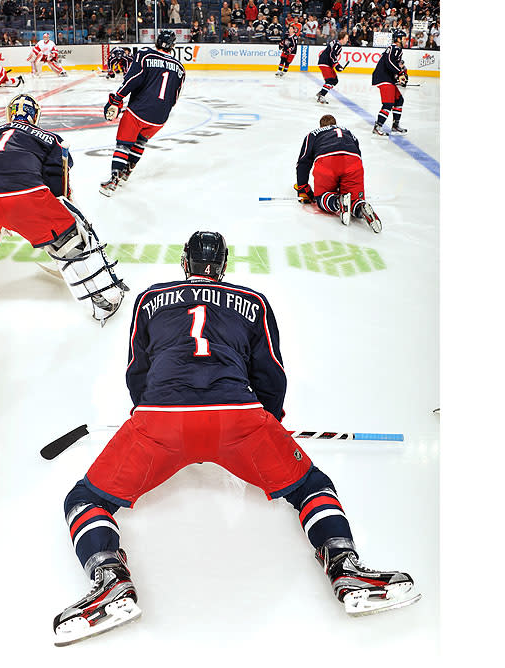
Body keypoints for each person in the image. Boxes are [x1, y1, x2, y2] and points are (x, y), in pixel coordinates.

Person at [52, 230, 420, 646]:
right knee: (310, 486)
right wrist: (271, 426)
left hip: (159, 419)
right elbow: (270, 373)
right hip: (239, 418)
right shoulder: (253, 302)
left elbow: (138, 368)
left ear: (184, 264)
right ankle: (345, 567)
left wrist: (146, 415)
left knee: (84, 500)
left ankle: (109, 579)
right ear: (223, 266)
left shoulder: (148, 299)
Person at [0, 94, 128, 323]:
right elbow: (58, 184)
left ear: (10, 114)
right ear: (35, 116)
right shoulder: (49, 138)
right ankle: (102, 299)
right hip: (24, 196)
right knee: (70, 235)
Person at [99, 30, 185, 196]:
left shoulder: (145, 55)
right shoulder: (180, 68)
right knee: (140, 142)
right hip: (160, 118)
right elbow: (175, 97)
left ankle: (113, 181)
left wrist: (117, 99)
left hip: (139, 111)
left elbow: (132, 79)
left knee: (123, 144)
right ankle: (127, 172)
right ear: (173, 46)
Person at [295, 114, 383, 232]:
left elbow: (303, 162)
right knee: (354, 198)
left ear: (320, 126)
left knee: (322, 197)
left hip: (327, 160)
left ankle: (337, 202)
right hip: (353, 161)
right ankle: (360, 207)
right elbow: (358, 154)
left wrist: (303, 188)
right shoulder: (348, 132)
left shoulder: (313, 134)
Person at [371, 29, 408, 136]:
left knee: (399, 100)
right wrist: (400, 72)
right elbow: (389, 62)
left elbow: (390, 64)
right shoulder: (395, 48)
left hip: (386, 78)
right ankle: (378, 127)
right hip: (383, 78)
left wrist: (398, 77)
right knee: (388, 104)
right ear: (398, 39)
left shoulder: (393, 49)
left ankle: (395, 126)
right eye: (404, 38)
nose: (406, 41)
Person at [315, 29, 349, 104]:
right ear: (342, 38)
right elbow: (332, 55)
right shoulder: (338, 44)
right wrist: (337, 65)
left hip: (326, 63)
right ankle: (321, 96)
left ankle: (321, 93)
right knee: (330, 80)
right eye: (346, 38)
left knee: (335, 80)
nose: (347, 40)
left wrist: (337, 65)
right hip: (325, 63)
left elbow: (332, 56)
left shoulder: (336, 43)